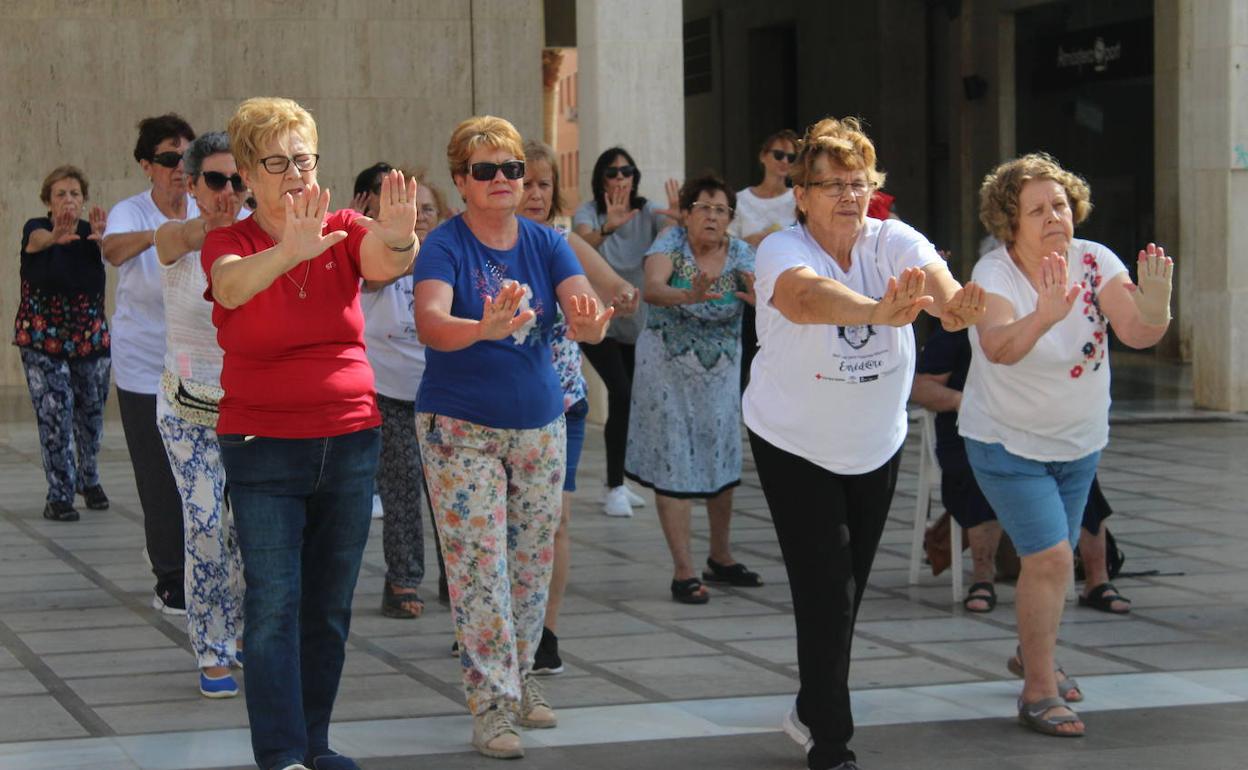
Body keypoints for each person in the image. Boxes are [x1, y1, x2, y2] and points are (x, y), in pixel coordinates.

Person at [742, 116, 986, 770]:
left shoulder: (892, 239)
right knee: (827, 587)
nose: (849, 196)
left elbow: (935, 281)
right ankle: (832, 742)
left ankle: (811, 706)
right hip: (792, 441)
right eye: (833, 185)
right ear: (801, 194)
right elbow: (804, 298)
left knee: (846, 589)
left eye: (859, 183)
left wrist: (955, 307)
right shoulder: (780, 248)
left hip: (875, 441)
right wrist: (874, 311)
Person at [201, 97, 418, 770]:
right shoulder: (230, 241)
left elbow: (383, 261)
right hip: (262, 448)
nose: (296, 173)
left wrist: (400, 237)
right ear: (246, 173)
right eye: (277, 162)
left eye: (304, 159)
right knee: (274, 604)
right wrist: (287, 252)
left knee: (327, 607)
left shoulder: (343, 226)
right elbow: (229, 289)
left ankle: (314, 745)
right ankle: (281, 754)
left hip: (349, 440)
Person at [413, 116, 612, 759]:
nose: (502, 179)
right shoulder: (443, 245)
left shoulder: (547, 242)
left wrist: (591, 323)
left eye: (512, 169)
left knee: (531, 565)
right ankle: (492, 706)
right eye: (485, 170)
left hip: (539, 428)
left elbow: (582, 307)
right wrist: (482, 328)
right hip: (459, 431)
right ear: (461, 180)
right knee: (480, 569)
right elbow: (431, 323)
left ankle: (522, 676)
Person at [960, 152, 1172, 738]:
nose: (1054, 216)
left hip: (1079, 443)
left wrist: (1156, 304)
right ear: (1010, 222)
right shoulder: (993, 273)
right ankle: (1038, 690)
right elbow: (998, 348)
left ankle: (1034, 654)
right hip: (1006, 443)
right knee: (1052, 558)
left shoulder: (1095, 259)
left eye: (1059, 204)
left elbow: (1137, 332)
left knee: (1049, 563)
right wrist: (1044, 317)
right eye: (1037, 210)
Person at [516, 140, 638, 673]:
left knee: (555, 523)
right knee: (498, 525)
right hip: (497, 408)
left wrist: (622, 293)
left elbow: (606, 283)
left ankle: (545, 632)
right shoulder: (481, 246)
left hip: (562, 403)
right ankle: (492, 626)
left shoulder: (561, 242)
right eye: (526, 182)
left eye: (544, 184)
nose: (535, 193)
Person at [912, 327, 1129, 616]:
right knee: (981, 473)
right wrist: (962, 401)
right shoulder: (962, 325)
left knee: (1080, 471)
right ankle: (982, 578)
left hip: (1040, 432)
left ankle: (1097, 580)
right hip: (973, 433)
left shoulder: (1056, 326)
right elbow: (920, 387)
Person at [626, 175, 761, 604]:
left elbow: (768, 294)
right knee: (674, 461)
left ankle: (720, 557)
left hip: (720, 374)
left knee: (722, 458)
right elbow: (653, 289)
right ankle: (683, 571)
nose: (712, 217)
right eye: (704, 208)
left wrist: (765, 300)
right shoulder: (670, 242)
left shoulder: (741, 254)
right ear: (686, 214)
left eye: (722, 210)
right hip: (666, 371)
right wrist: (688, 295)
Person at [153, 131, 247, 698]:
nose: (227, 192)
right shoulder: (175, 237)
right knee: (208, 523)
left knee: (248, 529)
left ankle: (241, 629)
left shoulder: (261, 240)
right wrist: (213, 229)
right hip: (187, 410)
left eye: (237, 181)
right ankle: (212, 648)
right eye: (215, 180)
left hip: (250, 411)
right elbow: (181, 238)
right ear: (192, 184)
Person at [102, 113, 197, 614]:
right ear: (147, 165)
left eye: (186, 156)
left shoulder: (207, 205)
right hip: (143, 364)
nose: (180, 167)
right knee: (158, 474)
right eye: (168, 158)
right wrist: (167, 234)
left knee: (202, 471)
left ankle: (199, 560)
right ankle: (171, 576)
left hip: (199, 363)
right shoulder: (131, 211)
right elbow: (113, 249)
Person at [361, 169, 448, 620]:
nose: (421, 217)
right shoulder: (377, 251)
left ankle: (456, 576)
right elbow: (371, 281)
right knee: (401, 489)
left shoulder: (452, 254)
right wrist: (409, 251)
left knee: (449, 489)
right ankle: (402, 579)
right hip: (388, 393)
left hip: (445, 394)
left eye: (428, 209)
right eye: (412, 209)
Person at [572, 147, 677, 516]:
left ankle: (615, 481)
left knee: (629, 401)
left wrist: (681, 222)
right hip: (598, 322)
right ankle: (615, 486)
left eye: (626, 171)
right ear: (601, 179)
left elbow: (671, 239)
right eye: (612, 173)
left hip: (635, 321)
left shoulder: (648, 211)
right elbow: (578, 244)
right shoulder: (589, 212)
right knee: (621, 391)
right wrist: (609, 227)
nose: (620, 179)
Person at [14, 166, 111, 522]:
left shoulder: (92, 233)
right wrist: (54, 236)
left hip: (90, 339)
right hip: (44, 341)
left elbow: (116, 255)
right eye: (61, 194)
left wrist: (104, 242)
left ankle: (89, 478)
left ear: (83, 200)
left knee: (92, 417)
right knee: (56, 415)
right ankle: (59, 495)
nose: (69, 200)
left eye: (75, 194)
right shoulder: (37, 229)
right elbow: (36, 242)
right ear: (48, 202)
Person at [730, 130, 799, 391]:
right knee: (746, 358)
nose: (784, 162)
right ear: (763, 156)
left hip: (783, 288)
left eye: (791, 157)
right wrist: (749, 239)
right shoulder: (740, 199)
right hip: (745, 287)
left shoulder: (798, 199)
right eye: (779, 154)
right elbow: (725, 242)